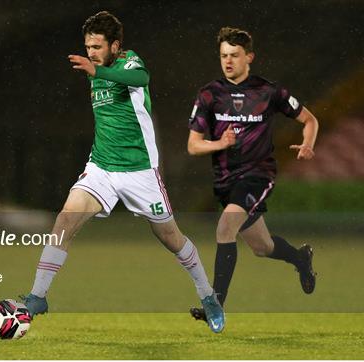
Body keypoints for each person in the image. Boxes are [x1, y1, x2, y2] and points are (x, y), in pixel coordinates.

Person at [20, 11, 224, 333]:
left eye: (97, 46)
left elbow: (141, 79)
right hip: (101, 167)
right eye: (88, 46)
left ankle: (208, 296)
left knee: (171, 238)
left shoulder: (129, 62)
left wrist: (99, 69)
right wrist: (96, 68)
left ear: (115, 46)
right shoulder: (94, 68)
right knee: (65, 219)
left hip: (140, 171)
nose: (91, 52)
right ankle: (38, 296)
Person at [187, 27, 319, 322]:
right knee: (262, 247)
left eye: (234, 55)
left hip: (258, 176)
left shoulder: (269, 91)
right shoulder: (209, 94)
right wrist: (220, 143)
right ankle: (300, 258)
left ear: (250, 57)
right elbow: (193, 146)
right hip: (225, 181)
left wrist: (308, 144)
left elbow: (309, 119)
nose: (228, 61)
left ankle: (215, 304)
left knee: (224, 228)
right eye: (223, 56)